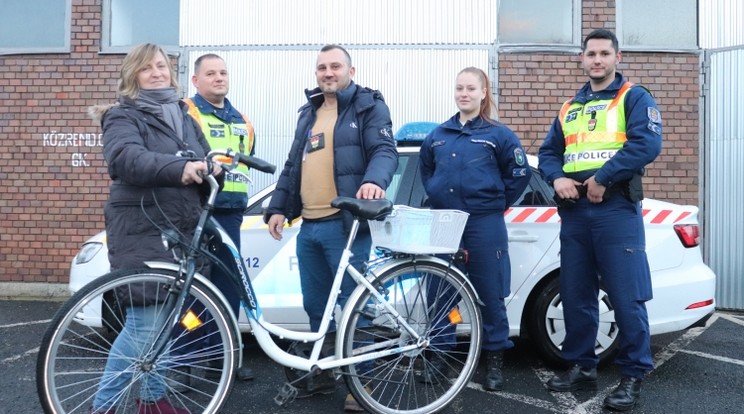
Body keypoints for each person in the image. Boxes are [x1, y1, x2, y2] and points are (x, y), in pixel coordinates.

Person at [87, 43, 221, 414]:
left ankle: (152, 400)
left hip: (179, 229)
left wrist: (212, 168)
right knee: (144, 323)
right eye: (147, 68)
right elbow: (126, 159)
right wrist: (180, 168)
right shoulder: (122, 116)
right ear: (133, 76)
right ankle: (104, 407)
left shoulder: (183, 115)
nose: (157, 72)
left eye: (161, 66)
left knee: (163, 324)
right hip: (143, 225)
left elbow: (201, 156)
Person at [264, 44, 398, 412]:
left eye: (335, 66)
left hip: (346, 225)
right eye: (322, 67)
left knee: (356, 309)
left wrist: (375, 182)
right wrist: (277, 208)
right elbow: (293, 165)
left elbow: (386, 151)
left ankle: (364, 384)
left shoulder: (368, 105)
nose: (328, 72)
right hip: (309, 225)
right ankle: (322, 375)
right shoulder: (309, 113)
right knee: (316, 306)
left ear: (350, 71)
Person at [537, 29, 662, 411]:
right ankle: (582, 366)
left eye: (605, 53)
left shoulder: (634, 97)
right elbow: (547, 153)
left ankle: (632, 376)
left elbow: (647, 144)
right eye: (591, 53)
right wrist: (557, 178)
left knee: (626, 298)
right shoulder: (569, 107)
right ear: (582, 58)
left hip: (615, 211)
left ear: (617, 58)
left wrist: (602, 179)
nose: (597, 60)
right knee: (576, 295)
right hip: (575, 215)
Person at [418, 67, 531, 392]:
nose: (463, 93)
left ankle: (494, 359)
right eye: (459, 88)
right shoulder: (438, 135)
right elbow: (428, 170)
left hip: (484, 224)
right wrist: (438, 190)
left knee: (490, 296)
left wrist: (495, 202)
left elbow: (519, 174)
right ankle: (441, 350)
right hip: (444, 222)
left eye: (470, 88)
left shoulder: (499, 135)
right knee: (441, 295)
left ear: (484, 93)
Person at [174, 53, 256, 384]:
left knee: (227, 290)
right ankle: (183, 360)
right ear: (196, 81)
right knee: (189, 288)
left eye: (223, 72)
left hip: (231, 213)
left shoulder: (243, 120)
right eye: (210, 73)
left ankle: (222, 359)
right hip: (195, 211)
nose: (219, 78)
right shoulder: (185, 112)